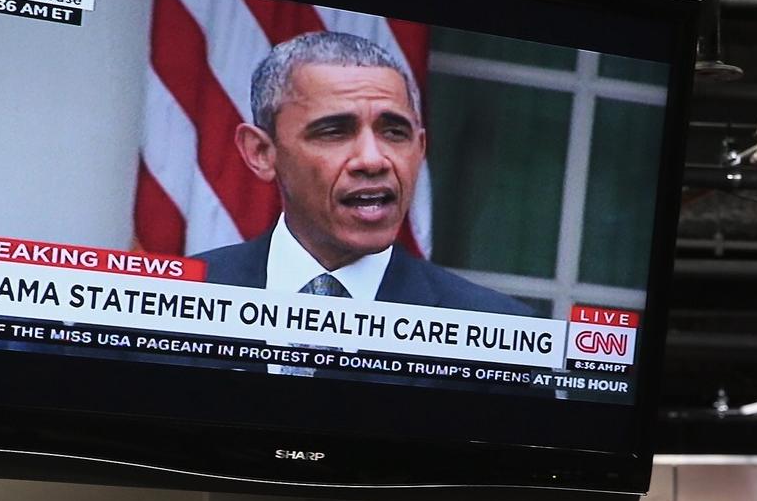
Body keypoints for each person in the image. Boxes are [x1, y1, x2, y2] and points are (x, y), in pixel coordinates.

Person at [196, 31, 530, 316]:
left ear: (420, 148)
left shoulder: (498, 326)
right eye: (334, 132)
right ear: (261, 153)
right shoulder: (172, 303)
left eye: (395, 133)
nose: (372, 160)